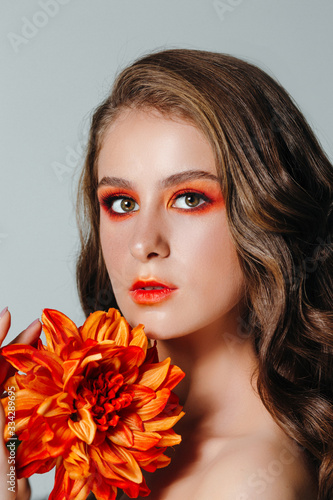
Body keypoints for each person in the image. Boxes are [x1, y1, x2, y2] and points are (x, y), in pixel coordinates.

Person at [1, 49, 332, 499]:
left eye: (190, 198)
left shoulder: (250, 480)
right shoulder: (97, 446)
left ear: (265, 213)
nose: (144, 243)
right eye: (122, 203)